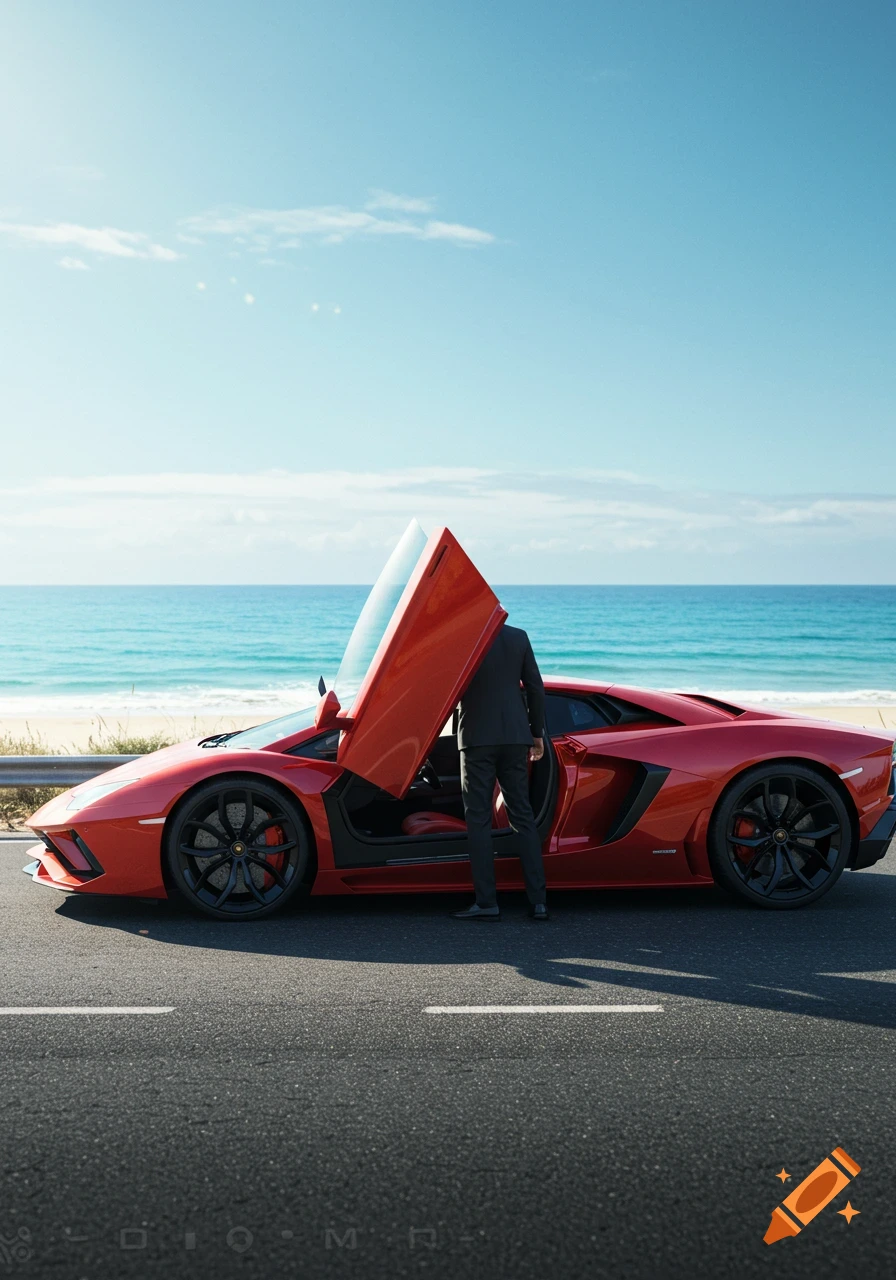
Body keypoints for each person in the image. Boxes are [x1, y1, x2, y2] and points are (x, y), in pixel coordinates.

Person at [452, 622, 549, 921]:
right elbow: (535, 687)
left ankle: (486, 902)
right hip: (515, 736)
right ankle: (539, 902)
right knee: (522, 814)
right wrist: (536, 734)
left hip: (476, 738)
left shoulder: (462, 637)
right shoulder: (518, 636)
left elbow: (446, 688)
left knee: (478, 819)